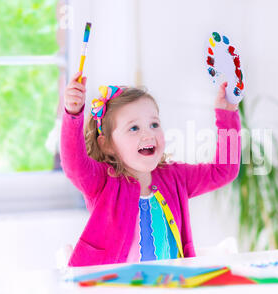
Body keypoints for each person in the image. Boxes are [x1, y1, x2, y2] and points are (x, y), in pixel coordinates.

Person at [61, 71, 241, 266]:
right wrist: (73, 114)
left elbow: (223, 171)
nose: (148, 134)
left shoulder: (174, 177)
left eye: (154, 124)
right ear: (107, 145)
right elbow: (74, 166)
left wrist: (227, 115)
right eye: (134, 128)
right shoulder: (103, 181)